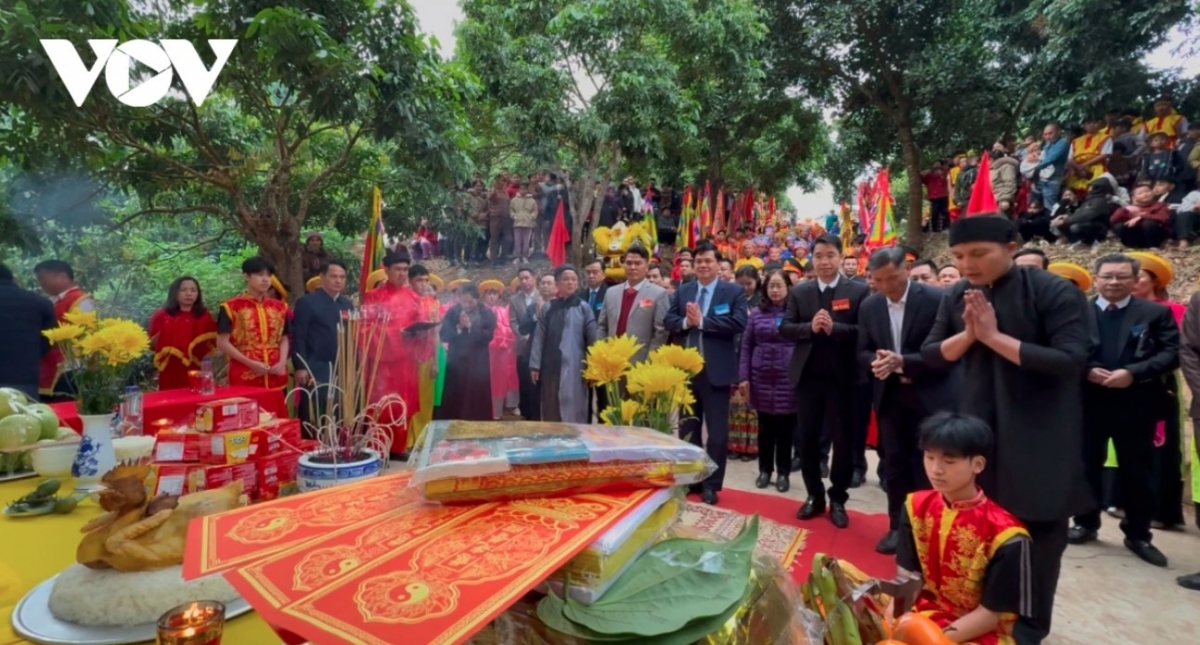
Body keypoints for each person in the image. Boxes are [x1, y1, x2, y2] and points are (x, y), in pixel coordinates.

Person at [921, 215, 1090, 644]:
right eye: (959, 256)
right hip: (979, 428)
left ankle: (1029, 628)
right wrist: (970, 336)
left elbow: (1070, 362)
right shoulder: (959, 292)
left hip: (1039, 433)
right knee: (977, 526)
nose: (968, 264)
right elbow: (932, 354)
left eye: (979, 254)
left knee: (1037, 535)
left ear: (1012, 247)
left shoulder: (1053, 291)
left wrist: (994, 337)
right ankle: (980, 615)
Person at [1068, 254, 1177, 568]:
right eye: (1108, 276)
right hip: (1089, 402)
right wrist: (1086, 369)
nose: (1114, 282)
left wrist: (1133, 372)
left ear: (1135, 280)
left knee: (1137, 471)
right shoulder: (1079, 312)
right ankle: (1085, 522)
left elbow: (1171, 352)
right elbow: (1065, 348)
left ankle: (1138, 533)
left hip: (1136, 403)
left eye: (1121, 276)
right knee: (1087, 465)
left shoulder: (1155, 313)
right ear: (1097, 278)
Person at [893, 412, 1033, 645]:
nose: (936, 469)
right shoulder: (915, 505)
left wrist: (931, 639)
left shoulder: (1007, 535)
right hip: (921, 611)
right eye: (929, 457)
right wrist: (895, 622)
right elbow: (908, 578)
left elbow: (989, 615)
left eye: (949, 462)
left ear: (977, 464)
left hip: (977, 630)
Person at [858, 247, 959, 554]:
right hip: (890, 396)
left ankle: (930, 528)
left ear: (906, 269)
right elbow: (862, 349)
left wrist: (903, 361)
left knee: (930, 465)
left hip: (930, 394)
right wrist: (876, 362)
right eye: (879, 280)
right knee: (895, 463)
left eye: (893, 278)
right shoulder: (870, 305)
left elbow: (949, 351)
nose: (887, 286)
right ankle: (896, 526)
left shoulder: (935, 299)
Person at [781, 233, 870, 528]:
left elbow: (864, 331)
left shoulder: (857, 291)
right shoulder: (801, 292)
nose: (824, 262)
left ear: (841, 257)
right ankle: (814, 496)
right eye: (818, 256)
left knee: (842, 442)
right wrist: (811, 327)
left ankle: (838, 498)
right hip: (808, 379)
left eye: (830, 255)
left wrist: (836, 329)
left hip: (843, 380)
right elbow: (786, 327)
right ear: (812, 259)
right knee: (806, 440)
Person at [665, 241, 748, 505]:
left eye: (708, 261)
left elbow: (738, 322)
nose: (702, 265)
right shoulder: (684, 290)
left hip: (716, 371)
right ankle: (692, 479)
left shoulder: (733, 291)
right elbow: (668, 321)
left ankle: (712, 483)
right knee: (688, 430)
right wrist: (685, 322)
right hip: (686, 372)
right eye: (698, 261)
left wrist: (702, 322)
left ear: (717, 264)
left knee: (717, 434)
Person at [362, 254, 435, 452]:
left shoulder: (413, 297)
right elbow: (364, 330)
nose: (402, 273)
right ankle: (377, 447)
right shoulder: (373, 297)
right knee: (381, 404)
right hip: (382, 363)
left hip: (407, 362)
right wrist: (396, 334)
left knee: (404, 402)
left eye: (405, 269)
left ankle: (399, 447)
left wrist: (419, 332)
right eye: (397, 269)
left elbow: (419, 329)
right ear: (386, 270)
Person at [738, 269, 797, 493]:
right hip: (761, 376)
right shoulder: (756, 314)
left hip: (787, 377)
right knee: (764, 429)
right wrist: (744, 376)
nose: (774, 290)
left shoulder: (795, 312)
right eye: (771, 286)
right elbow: (746, 346)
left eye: (779, 285)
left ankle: (783, 472)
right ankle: (765, 470)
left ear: (787, 288)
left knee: (785, 430)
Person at [290, 260, 353, 429]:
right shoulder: (307, 302)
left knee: (339, 407)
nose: (338, 280)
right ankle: (312, 447)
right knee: (315, 406)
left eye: (342, 277)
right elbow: (299, 336)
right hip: (315, 364)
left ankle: (338, 446)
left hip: (342, 365)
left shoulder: (347, 304)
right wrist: (300, 366)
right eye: (333, 276)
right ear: (322, 277)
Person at [530, 265, 597, 422]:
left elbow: (593, 340)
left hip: (575, 365)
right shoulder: (549, 307)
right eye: (566, 279)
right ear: (557, 283)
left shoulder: (583, 308)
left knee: (575, 402)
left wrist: (593, 367)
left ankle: (575, 435)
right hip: (550, 364)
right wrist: (535, 365)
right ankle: (553, 436)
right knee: (550, 401)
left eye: (574, 279)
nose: (570, 283)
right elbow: (539, 337)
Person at [216, 257, 290, 391]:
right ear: (246, 276)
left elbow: (284, 338)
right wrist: (250, 363)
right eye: (260, 274)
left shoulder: (280, 307)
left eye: (269, 275)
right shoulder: (231, 307)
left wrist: (282, 362)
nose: (265, 279)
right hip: (244, 372)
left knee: (276, 410)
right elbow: (222, 342)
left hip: (275, 371)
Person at [34, 259, 96, 400]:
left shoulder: (80, 301)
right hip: (51, 366)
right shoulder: (54, 300)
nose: (40, 284)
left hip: (70, 368)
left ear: (62, 276)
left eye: (42, 279)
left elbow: (86, 337)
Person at [597, 246, 669, 365]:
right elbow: (602, 326)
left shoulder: (658, 294)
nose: (632, 267)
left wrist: (650, 361)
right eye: (629, 263)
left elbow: (661, 332)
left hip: (640, 361)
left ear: (646, 266)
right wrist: (601, 354)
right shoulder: (611, 292)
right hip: (611, 360)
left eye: (638, 263)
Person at [438, 283, 496, 421]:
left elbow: (488, 336)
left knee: (476, 392)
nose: (467, 305)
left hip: (478, 361)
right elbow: (444, 335)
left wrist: (471, 327)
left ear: (477, 299)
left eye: (471, 301)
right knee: (456, 391)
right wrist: (458, 327)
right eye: (464, 301)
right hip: (456, 360)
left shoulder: (486, 312)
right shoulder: (453, 311)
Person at [148, 276, 217, 391]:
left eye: (193, 290)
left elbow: (211, 344)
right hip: (170, 368)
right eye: (183, 290)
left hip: (197, 368)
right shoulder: (162, 315)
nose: (189, 294)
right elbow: (152, 345)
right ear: (175, 292)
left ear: (198, 294)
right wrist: (168, 332)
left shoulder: (204, 315)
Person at [0, 262, 56, 399]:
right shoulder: (40, 303)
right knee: (25, 418)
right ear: (12, 279)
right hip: (24, 378)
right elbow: (50, 338)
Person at [480, 280, 519, 419]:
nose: (492, 297)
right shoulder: (479, 311)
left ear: (498, 296)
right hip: (484, 351)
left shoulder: (504, 311)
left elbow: (509, 329)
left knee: (500, 380)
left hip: (501, 350)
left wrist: (500, 329)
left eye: (494, 294)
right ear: (483, 296)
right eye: (489, 294)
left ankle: (498, 410)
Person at [509, 268, 541, 420]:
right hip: (522, 347)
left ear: (534, 278)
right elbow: (513, 322)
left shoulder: (543, 296)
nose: (524, 282)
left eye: (527, 278)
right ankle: (525, 412)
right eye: (521, 279)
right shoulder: (514, 300)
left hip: (540, 346)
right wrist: (523, 335)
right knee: (523, 381)